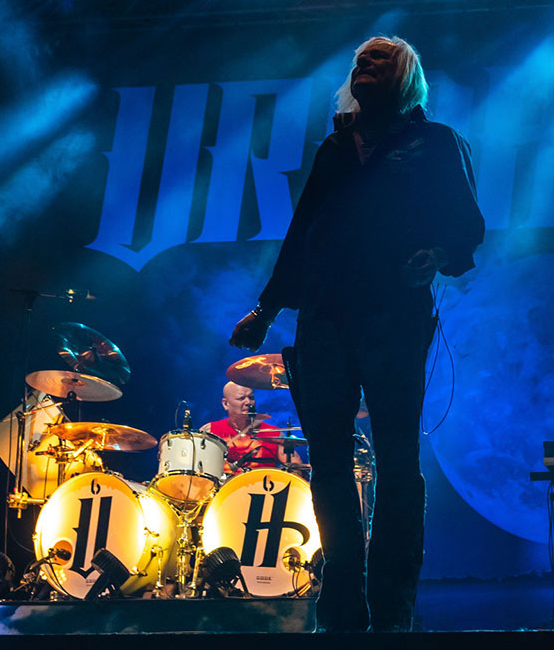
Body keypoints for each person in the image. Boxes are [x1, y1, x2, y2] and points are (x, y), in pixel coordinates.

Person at [229, 35, 485, 633]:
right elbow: (304, 231)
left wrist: (438, 255)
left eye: (380, 58)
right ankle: (342, 606)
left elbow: (467, 224)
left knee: (397, 459)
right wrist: (266, 308)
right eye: (360, 59)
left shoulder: (435, 141)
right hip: (324, 318)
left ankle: (392, 609)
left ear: (406, 77)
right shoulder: (336, 146)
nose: (365, 63)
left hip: (394, 316)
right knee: (328, 461)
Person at [203, 381, 302, 473]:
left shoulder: (273, 434)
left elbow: (296, 469)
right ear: (225, 404)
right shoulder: (210, 431)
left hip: (263, 485)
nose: (248, 402)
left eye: (251, 398)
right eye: (241, 398)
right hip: (224, 486)